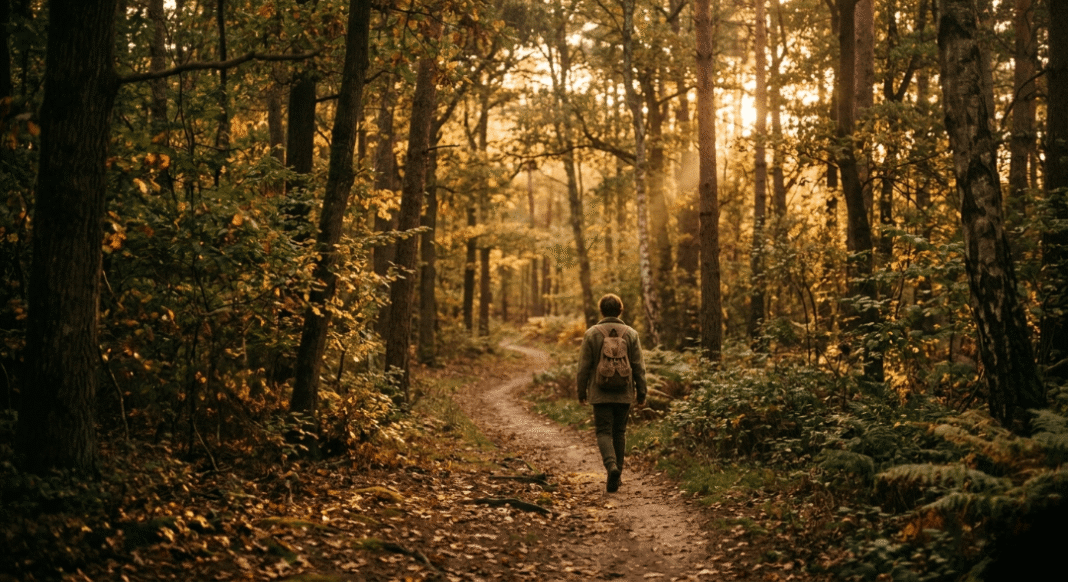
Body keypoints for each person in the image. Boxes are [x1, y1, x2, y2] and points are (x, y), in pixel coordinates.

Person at [576, 293, 647, 493]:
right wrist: (641, 392)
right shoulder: (631, 334)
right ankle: (618, 475)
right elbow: (638, 366)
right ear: (620, 310)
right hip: (624, 392)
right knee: (620, 432)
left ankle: (611, 467)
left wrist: (581, 391)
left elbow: (583, 366)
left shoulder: (592, 333)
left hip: (600, 393)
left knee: (603, 431)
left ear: (601, 311)